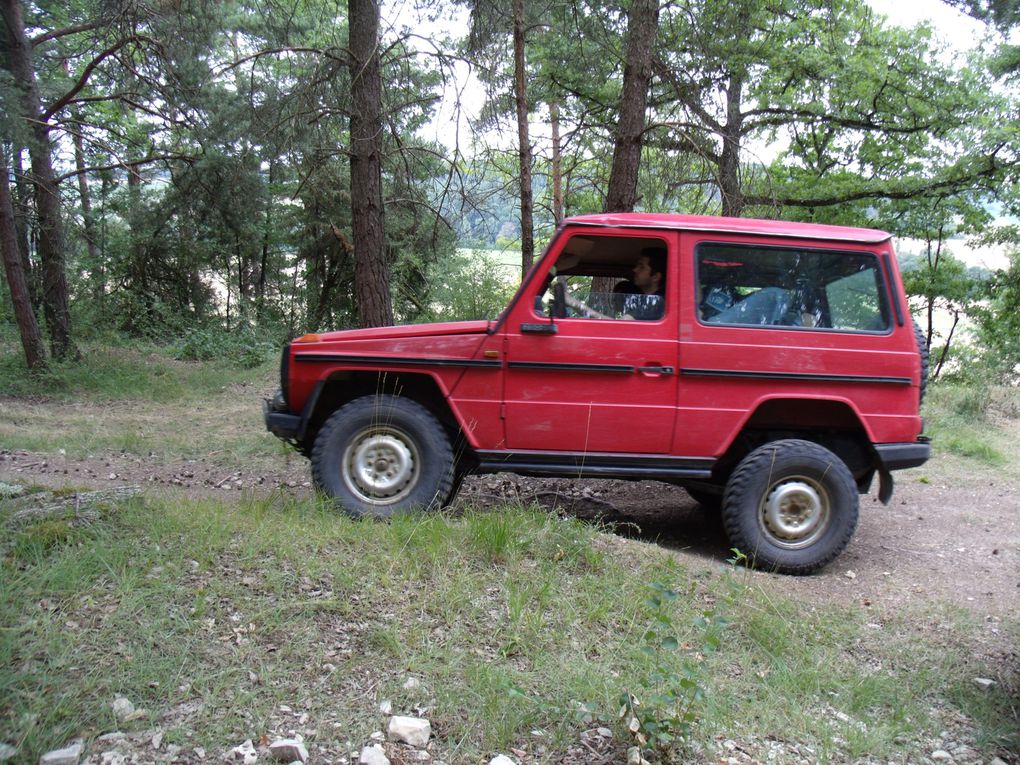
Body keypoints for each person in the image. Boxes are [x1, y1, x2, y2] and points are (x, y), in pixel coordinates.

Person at [623, 247, 666, 320]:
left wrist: (596, 314)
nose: (635, 269)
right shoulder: (647, 300)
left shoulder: (656, 303)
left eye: (641, 267)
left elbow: (622, 324)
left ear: (655, 277)